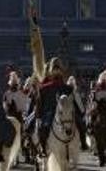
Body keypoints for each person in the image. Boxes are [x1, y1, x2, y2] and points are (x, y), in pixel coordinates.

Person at [27, 17, 87, 153]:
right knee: (42, 127)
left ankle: (83, 142)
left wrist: (80, 114)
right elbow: (39, 106)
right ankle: (42, 147)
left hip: (66, 114)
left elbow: (77, 107)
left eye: (58, 69)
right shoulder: (44, 89)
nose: (56, 71)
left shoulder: (68, 88)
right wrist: (38, 115)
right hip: (50, 113)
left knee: (81, 124)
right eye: (55, 69)